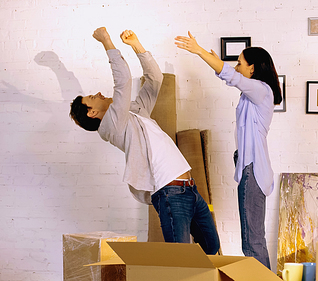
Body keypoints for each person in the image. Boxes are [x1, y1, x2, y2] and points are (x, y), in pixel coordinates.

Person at [69, 27, 220, 255]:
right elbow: (123, 81)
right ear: (91, 113)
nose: (98, 94)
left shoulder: (136, 112)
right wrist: (106, 42)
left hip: (190, 189)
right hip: (170, 193)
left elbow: (154, 80)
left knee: (211, 246)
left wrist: (136, 45)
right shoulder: (111, 126)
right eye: (92, 97)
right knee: (181, 258)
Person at [175, 31, 282, 268]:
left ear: (252, 68)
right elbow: (229, 76)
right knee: (252, 238)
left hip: (253, 169)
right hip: (248, 166)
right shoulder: (251, 95)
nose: (237, 67)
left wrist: (199, 51)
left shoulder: (261, 90)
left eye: (240, 63)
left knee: (252, 241)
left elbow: (230, 77)